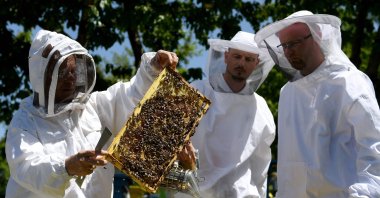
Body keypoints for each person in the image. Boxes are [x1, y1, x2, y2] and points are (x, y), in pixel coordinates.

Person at [5, 29, 181, 198]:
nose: (70, 78)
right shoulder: (25, 121)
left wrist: (153, 68)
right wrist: (67, 167)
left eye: (74, 71)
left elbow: (130, 97)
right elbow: (27, 167)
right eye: (62, 72)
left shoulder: (94, 107)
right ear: (42, 75)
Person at [255, 10, 380, 197]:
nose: (288, 51)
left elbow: (374, 148)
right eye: (284, 45)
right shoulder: (287, 92)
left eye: (294, 43)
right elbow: (288, 160)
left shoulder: (349, 82)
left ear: (317, 35)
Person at [175, 31, 276, 197]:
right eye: (237, 56)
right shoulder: (197, 91)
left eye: (248, 59)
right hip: (195, 193)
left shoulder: (261, 108)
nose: (241, 63)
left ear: (256, 63)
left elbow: (261, 163)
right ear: (226, 57)